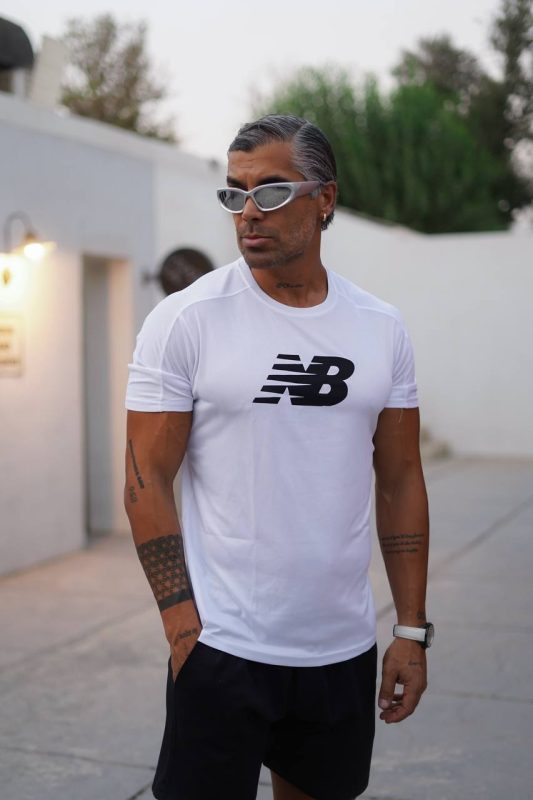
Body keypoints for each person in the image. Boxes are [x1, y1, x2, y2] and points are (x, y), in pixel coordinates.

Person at [124, 114, 432, 800]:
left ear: (324, 199)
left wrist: (410, 629)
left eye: (269, 191)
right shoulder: (185, 319)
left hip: (340, 649)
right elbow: (146, 480)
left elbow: (400, 479)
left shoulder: (379, 327)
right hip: (222, 648)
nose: (247, 213)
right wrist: (181, 627)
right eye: (234, 194)